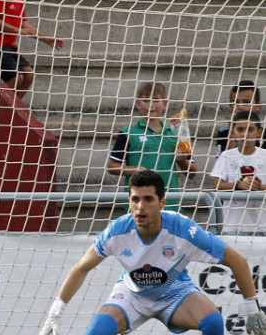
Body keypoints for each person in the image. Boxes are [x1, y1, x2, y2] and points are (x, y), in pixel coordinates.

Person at [27, 170, 266, 335]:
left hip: (175, 292)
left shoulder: (184, 231)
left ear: (162, 202)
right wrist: (56, 310)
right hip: (132, 294)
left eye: (148, 199)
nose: (140, 207)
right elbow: (81, 267)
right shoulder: (117, 231)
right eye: (135, 199)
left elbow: (237, 261)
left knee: (213, 321)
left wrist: (251, 307)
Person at [107, 82, 198, 212]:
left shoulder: (176, 133)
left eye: (156, 100)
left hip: (170, 205)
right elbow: (112, 166)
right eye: (146, 100)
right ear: (138, 104)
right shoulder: (127, 132)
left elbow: (192, 173)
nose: (151, 105)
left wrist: (182, 160)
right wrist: (134, 170)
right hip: (139, 206)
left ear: (165, 103)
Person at [0, 0, 64, 99]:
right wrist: (16, 30)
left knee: (29, 74)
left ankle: (14, 107)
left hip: (8, 47)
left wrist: (45, 39)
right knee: (17, 79)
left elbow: (25, 26)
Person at [210, 111, 266, 235]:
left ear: (259, 132)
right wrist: (238, 185)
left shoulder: (264, 156)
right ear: (233, 132)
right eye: (240, 129)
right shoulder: (227, 156)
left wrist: (259, 187)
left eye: (250, 130)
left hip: (262, 226)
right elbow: (217, 186)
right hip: (232, 226)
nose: (244, 134)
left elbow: (261, 186)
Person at [212, 81, 264, 155]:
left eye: (246, 102)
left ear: (257, 106)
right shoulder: (224, 132)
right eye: (236, 103)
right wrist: (231, 131)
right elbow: (225, 162)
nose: (240, 107)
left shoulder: (264, 132)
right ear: (230, 105)